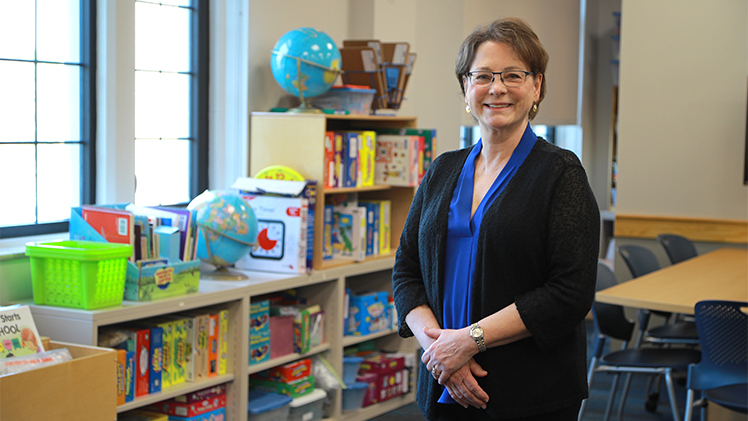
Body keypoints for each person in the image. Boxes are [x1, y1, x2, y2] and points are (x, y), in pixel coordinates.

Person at [392, 17, 600, 421]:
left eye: (513, 75)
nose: (497, 87)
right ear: (465, 88)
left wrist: (469, 342)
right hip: (444, 380)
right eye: (483, 75)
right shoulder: (441, 170)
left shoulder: (561, 174)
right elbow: (406, 270)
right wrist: (440, 351)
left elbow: (569, 292)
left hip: (528, 390)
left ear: (536, 86)